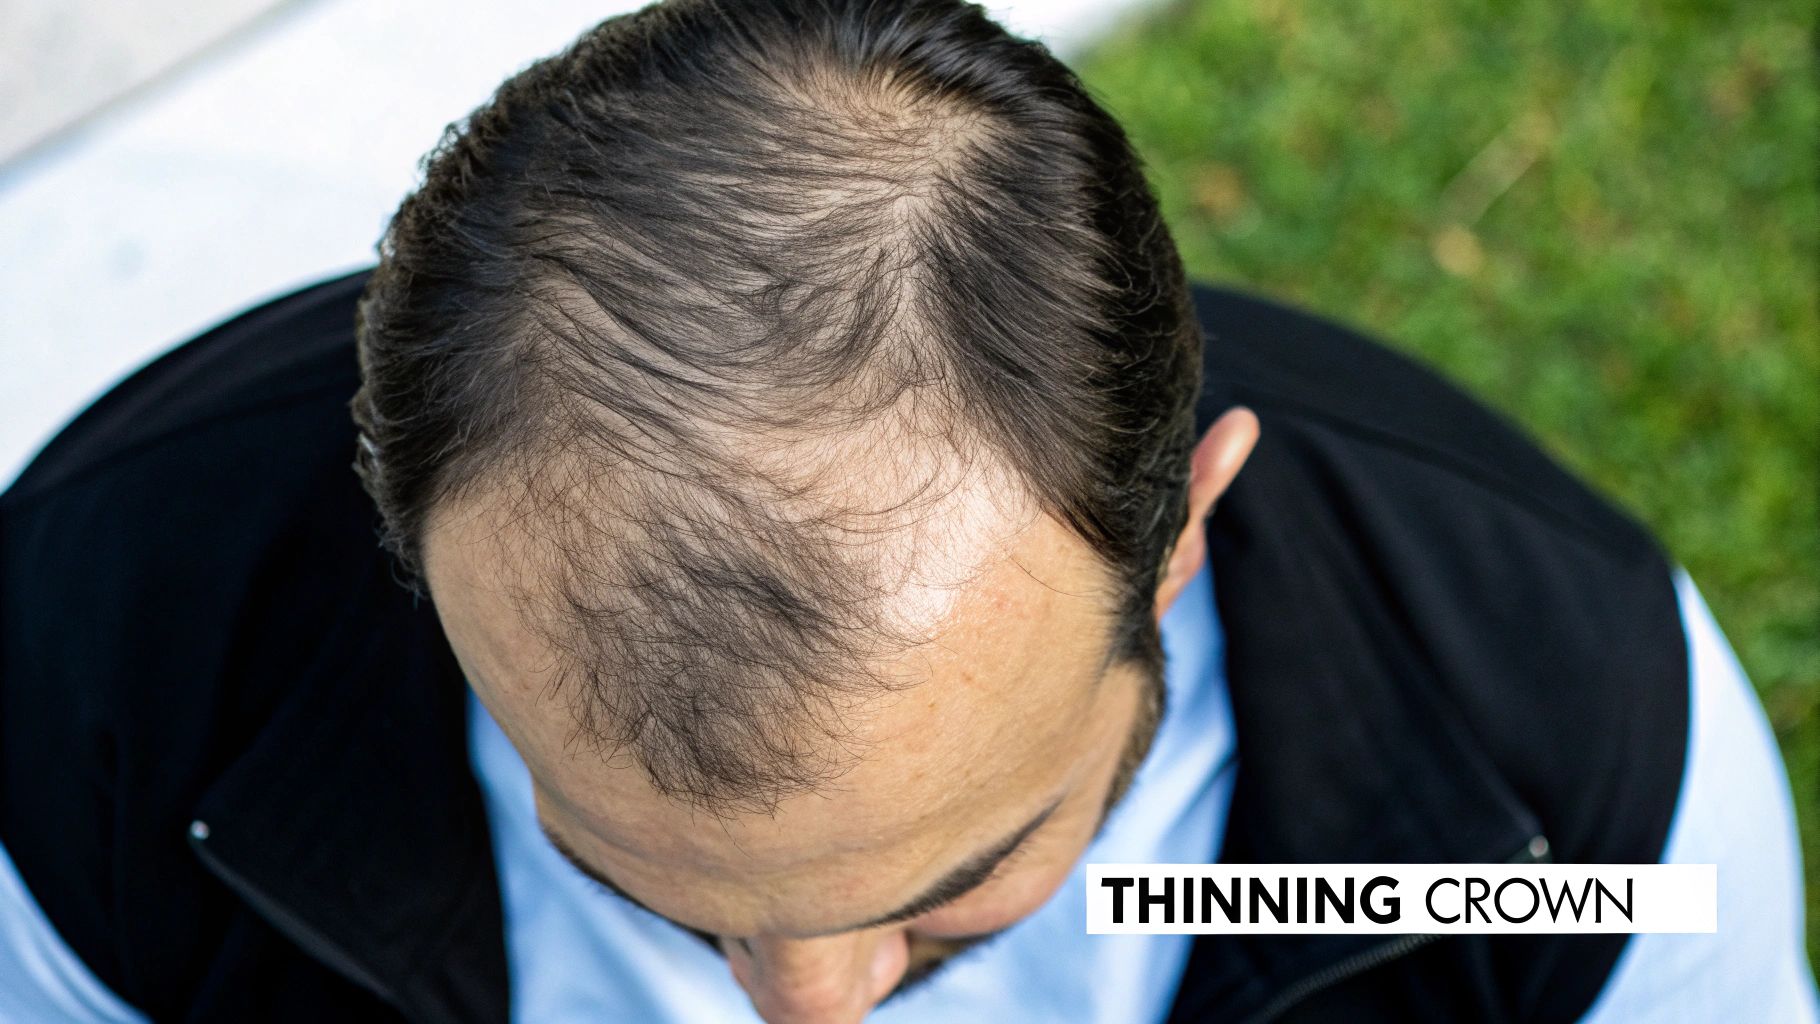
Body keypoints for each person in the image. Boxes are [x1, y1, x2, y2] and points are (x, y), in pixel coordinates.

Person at [1, 0, 1814, 1021]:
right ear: (407, 540)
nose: (811, 1010)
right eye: (653, 893)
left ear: (1178, 532)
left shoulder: (1563, 767)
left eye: (960, 894)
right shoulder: (96, 667)